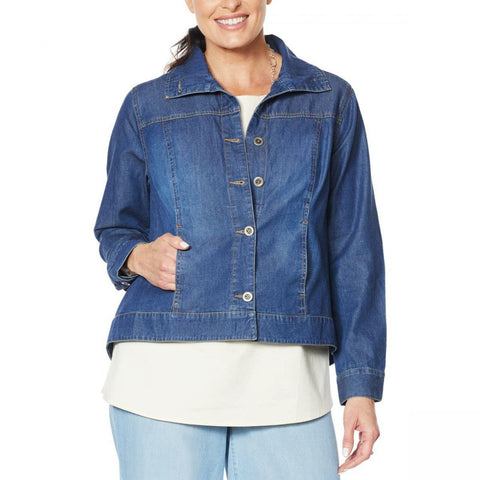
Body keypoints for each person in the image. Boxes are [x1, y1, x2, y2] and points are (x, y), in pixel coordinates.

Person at [93, 0, 387, 478]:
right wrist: (138, 255)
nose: (229, 3)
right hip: (159, 378)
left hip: (290, 384)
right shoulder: (148, 105)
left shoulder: (328, 100)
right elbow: (115, 226)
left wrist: (360, 386)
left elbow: (354, 246)